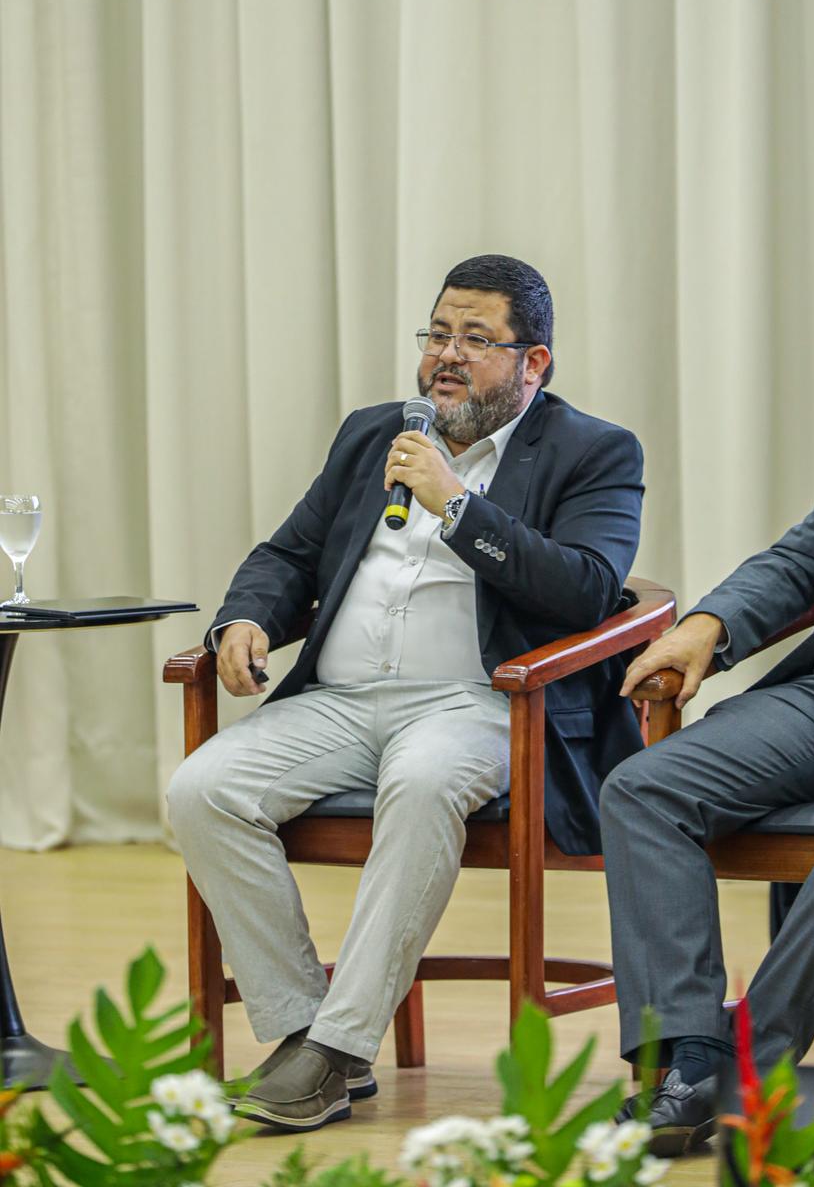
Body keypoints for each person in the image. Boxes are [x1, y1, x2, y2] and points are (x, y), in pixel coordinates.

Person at [167, 254, 644, 1133]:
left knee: (422, 785)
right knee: (202, 789)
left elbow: (586, 589)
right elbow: (289, 554)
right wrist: (244, 620)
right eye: (437, 334)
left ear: (534, 362)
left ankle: (336, 1049)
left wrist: (457, 506)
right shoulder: (374, 434)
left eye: (476, 339)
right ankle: (306, 1032)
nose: (446, 356)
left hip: (482, 703)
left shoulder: (595, 451)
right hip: (342, 702)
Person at [601, 449, 814, 1158]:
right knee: (645, 790)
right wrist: (706, 625)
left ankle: (743, 1065)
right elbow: (803, 561)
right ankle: (692, 1050)